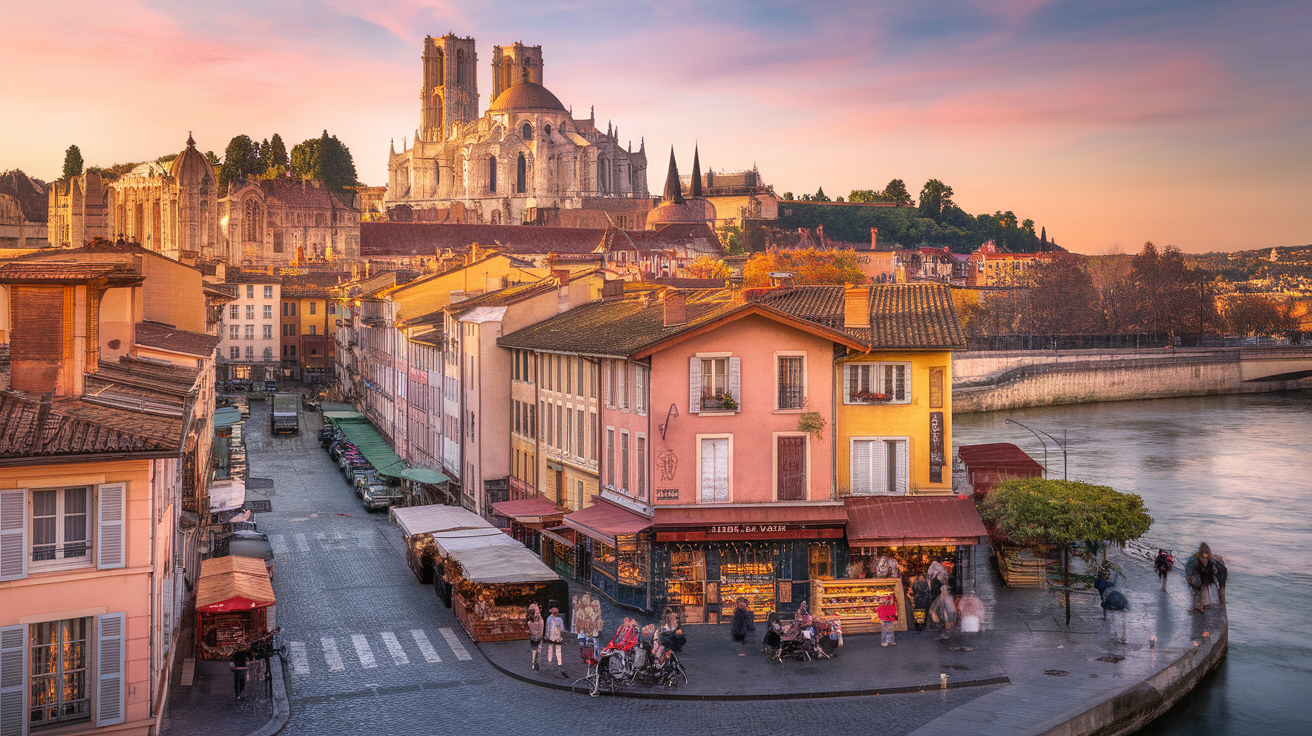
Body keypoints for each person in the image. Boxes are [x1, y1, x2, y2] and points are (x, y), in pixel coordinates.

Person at [1185, 543, 1220, 614]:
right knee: (1198, 593)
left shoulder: (1196, 558)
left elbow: (1188, 569)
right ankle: (1199, 607)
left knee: (1197, 593)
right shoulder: (1197, 559)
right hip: (1199, 578)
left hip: (1200, 579)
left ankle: (1198, 607)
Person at [545, 603, 566, 669]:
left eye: (556, 609)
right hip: (551, 636)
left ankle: (559, 662)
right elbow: (548, 628)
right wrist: (547, 635)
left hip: (557, 636)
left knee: (557, 649)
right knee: (551, 648)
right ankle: (550, 660)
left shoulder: (559, 619)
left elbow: (562, 629)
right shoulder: (550, 619)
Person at [527, 602, 544, 670]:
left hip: (534, 637)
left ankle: (535, 663)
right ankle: (536, 663)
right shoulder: (539, 620)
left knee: (535, 649)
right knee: (537, 649)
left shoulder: (532, 621)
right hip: (537, 636)